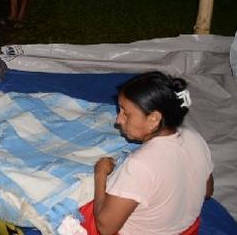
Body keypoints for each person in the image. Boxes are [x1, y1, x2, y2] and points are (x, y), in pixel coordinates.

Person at [84, 72, 214, 235]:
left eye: (126, 113)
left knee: (78, 204)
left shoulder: (140, 165)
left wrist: (100, 174)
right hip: (186, 230)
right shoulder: (195, 138)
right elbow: (207, 191)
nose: (118, 120)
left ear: (153, 119)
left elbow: (106, 228)